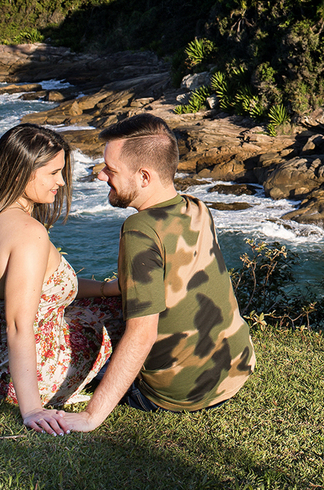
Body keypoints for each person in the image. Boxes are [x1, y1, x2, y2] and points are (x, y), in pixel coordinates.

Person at [64, 113, 254, 431]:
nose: (100, 176)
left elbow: (142, 335)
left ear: (144, 178)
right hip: (235, 369)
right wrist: (99, 288)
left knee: (77, 335)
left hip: (177, 393)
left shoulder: (140, 230)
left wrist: (91, 417)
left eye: (110, 169)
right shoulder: (197, 207)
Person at [0, 123, 124, 436]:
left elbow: (42, 286)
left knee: (107, 302)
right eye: (53, 172)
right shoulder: (30, 235)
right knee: (127, 315)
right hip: (18, 376)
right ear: (20, 172)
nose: (61, 181)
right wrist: (31, 408)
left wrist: (106, 288)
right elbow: (18, 325)